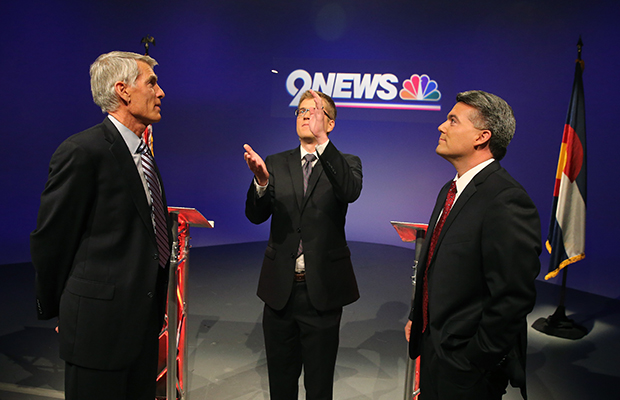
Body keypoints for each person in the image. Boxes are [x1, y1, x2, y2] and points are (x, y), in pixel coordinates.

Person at [30, 51, 171, 400]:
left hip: (140, 327)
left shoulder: (143, 153)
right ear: (123, 91)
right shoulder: (83, 151)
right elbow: (52, 238)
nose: (161, 92)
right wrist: (60, 308)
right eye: (151, 83)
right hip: (97, 331)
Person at [404, 90, 541, 400]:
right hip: (435, 351)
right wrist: (418, 317)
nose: (441, 126)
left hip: (468, 371)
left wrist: (475, 359)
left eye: (453, 120)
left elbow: (512, 297)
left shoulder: (506, 199)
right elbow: (436, 264)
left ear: (482, 137)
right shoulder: (449, 190)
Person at [244, 89, 362, 400]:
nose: (306, 115)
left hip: (321, 290)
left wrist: (322, 142)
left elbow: (349, 192)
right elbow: (256, 216)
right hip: (279, 289)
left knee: (319, 385)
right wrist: (261, 183)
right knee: (281, 383)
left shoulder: (346, 164)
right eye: (301, 111)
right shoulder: (275, 163)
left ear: (330, 123)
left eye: (315, 111)